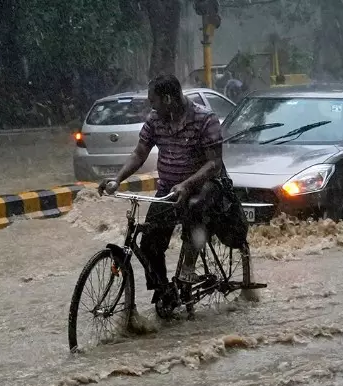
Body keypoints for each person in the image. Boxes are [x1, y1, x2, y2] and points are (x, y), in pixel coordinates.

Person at [98, 74, 238, 316]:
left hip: (203, 185)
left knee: (195, 206)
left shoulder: (205, 119)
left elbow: (214, 164)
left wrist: (186, 184)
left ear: (168, 99)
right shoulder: (155, 120)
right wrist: (117, 178)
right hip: (168, 189)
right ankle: (164, 290)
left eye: (154, 101)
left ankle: (188, 267)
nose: (151, 107)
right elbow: (139, 153)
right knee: (149, 242)